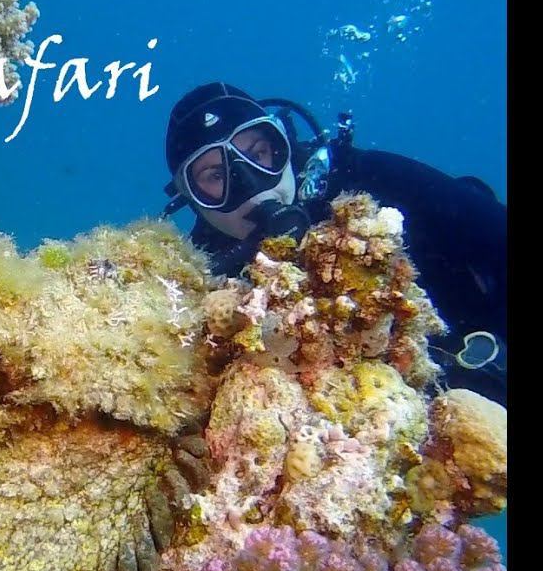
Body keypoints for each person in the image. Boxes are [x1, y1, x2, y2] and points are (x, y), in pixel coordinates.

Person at [162, 82, 506, 405]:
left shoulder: (373, 178)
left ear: (282, 147)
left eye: (258, 153)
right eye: (216, 176)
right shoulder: (204, 276)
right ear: (192, 200)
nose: (250, 182)